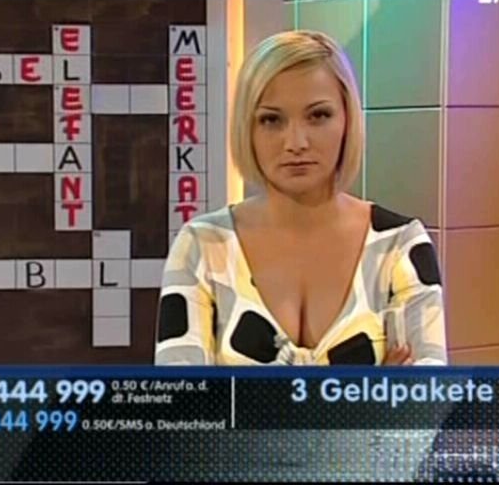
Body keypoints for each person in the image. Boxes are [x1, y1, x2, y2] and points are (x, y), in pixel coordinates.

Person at [155, 30, 447, 366]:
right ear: (247, 128)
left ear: (348, 120)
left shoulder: (399, 245)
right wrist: (371, 392)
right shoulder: (202, 245)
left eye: (318, 116)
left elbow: (426, 393)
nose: (296, 143)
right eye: (271, 120)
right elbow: (182, 395)